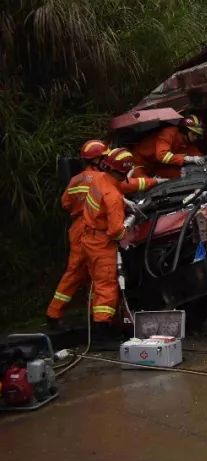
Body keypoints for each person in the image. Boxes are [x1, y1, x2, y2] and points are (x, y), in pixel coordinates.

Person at [46, 140, 109, 329]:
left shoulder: (75, 180)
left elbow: (65, 203)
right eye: (105, 157)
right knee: (98, 274)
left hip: (77, 227)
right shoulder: (103, 178)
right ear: (97, 159)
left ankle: (54, 313)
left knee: (75, 272)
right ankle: (97, 319)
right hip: (94, 227)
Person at [81, 147, 137, 349]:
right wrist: (129, 228)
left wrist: (124, 201)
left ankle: (102, 326)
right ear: (124, 172)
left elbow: (105, 196)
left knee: (97, 285)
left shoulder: (98, 179)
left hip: (89, 237)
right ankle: (101, 338)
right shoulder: (112, 196)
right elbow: (115, 232)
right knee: (107, 288)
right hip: (102, 243)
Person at [133, 114, 207, 179]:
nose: (196, 138)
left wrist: (201, 160)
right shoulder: (168, 133)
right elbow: (162, 156)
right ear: (185, 130)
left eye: (198, 135)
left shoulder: (186, 141)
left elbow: (197, 155)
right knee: (146, 185)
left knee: (179, 176)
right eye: (194, 134)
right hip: (139, 163)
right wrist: (188, 158)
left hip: (157, 166)